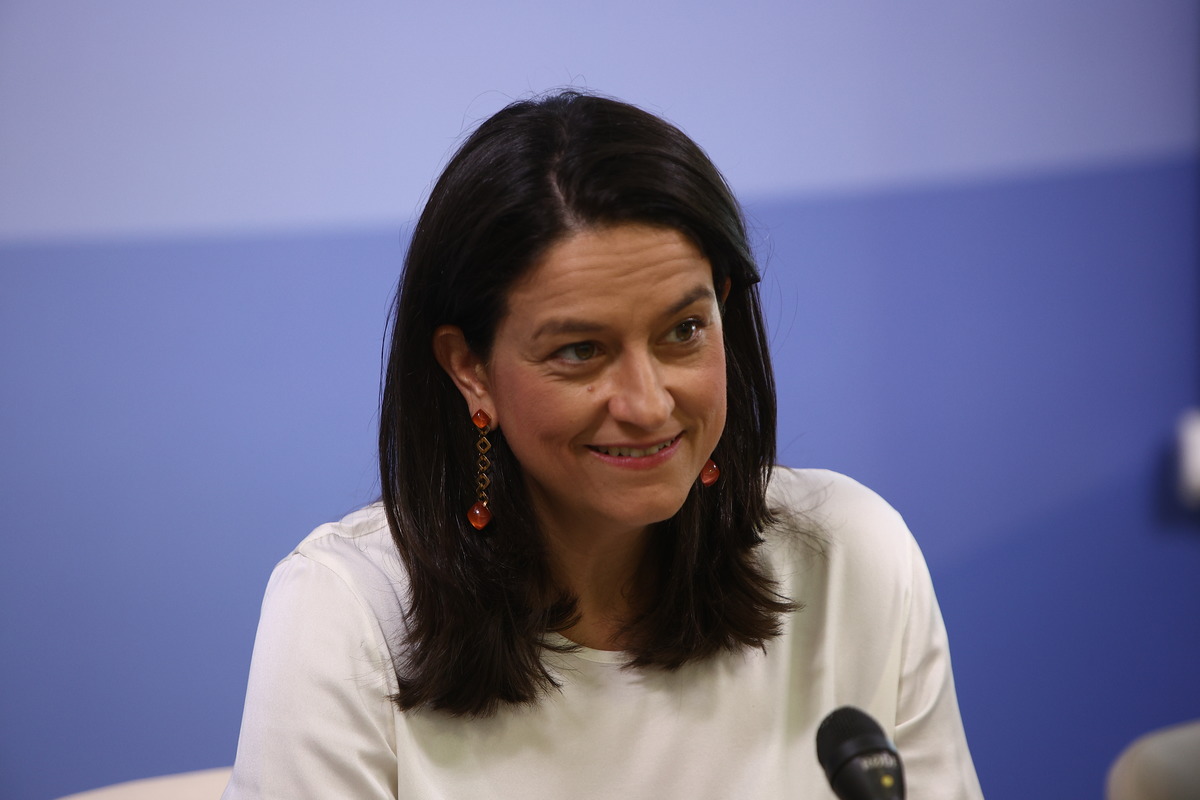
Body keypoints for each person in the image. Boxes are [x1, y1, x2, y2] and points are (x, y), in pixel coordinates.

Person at [223, 90, 984, 799]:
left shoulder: (849, 557)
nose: (648, 404)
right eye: (581, 351)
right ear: (470, 369)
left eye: (684, 331)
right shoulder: (347, 615)